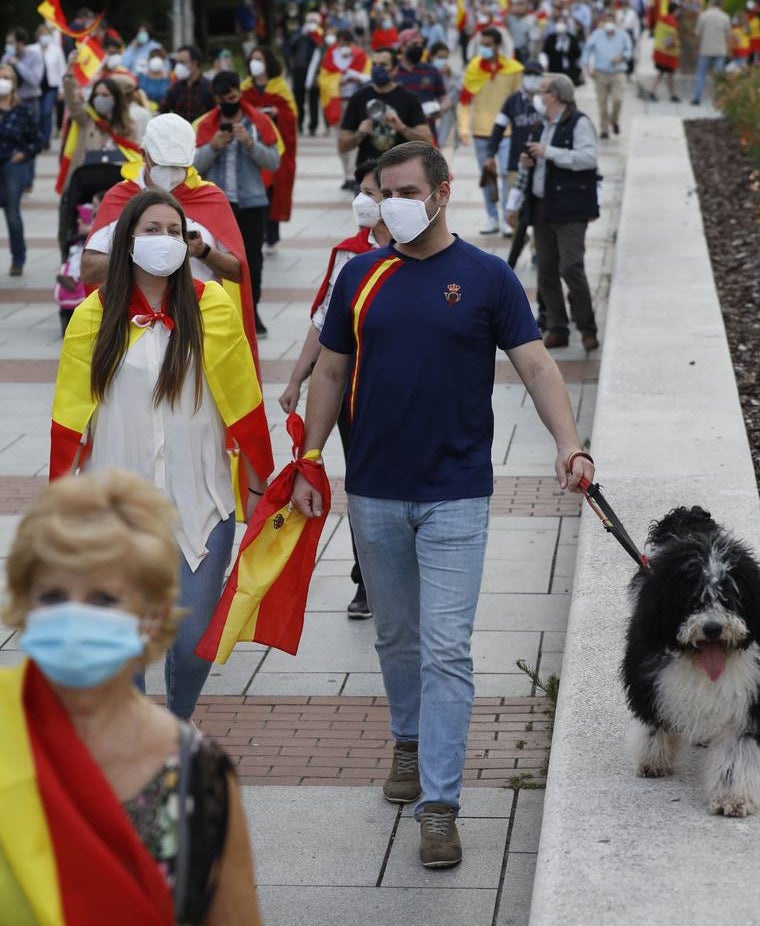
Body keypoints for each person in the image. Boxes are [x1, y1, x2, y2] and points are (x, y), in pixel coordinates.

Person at [290, 141, 595, 869]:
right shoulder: (361, 275)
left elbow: (536, 364)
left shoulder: (487, 277)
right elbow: (330, 371)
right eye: (381, 190)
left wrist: (570, 444)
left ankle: (440, 804)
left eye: (402, 189)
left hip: (458, 493)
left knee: (448, 649)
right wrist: (307, 455)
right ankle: (407, 738)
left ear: (440, 192)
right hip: (374, 491)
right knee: (397, 638)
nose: (389, 202)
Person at [0, 468, 262, 924]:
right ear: (24, 604)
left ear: (154, 617)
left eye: (103, 599)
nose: (75, 617)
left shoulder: (198, 776)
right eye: (54, 595)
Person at [50, 189, 274, 718]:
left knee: (194, 640)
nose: (165, 241)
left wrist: (263, 479)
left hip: (201, 496)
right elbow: (68, 416)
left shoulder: (211, 304)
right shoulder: (92, 315)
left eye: (174, 231)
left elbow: (244, 398)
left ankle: (174, 725)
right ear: (127, 240)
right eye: (152, 230)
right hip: (117, 504)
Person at [278, 158, 393, 620]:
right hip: (352, 392)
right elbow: (324, 322)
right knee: (365, 483)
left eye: (375, 192)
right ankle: (366, 578)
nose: (364, 200)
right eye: (362, 190)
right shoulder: (347, 252)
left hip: (400, 390)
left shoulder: (425, 249)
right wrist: (297, 377)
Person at [79, 113, 259, 365]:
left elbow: (239, 272)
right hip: (130, 329)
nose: (173, 174)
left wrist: (204, 252)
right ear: (144, 155)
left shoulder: (210, 198)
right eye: (164, 165)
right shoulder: (120, 197)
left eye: (180, 167)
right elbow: (88, 271)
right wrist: (135, 253)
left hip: (198, 326)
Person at [516, 74, 600, 352]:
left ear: (555, 95)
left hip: (571, 208)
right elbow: (537, 159)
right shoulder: (542, 124)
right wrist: (527, 160)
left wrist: (549, 152)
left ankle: (587, 328)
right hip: (543, 206)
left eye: (542, 91)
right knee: (546, 270)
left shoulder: (579, 122)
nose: (538, 96)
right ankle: (558, 326)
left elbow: (588, 158)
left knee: (571, 267)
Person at [194, 71, 281, 338]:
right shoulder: (207, 125)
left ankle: (251, 312)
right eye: (224, 98)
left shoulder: (258, 121)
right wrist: (213, 146)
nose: (230, 101)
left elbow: (274, 162)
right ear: (217, 99)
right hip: (217, 206)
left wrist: (250, 143)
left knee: (252, 262)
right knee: (215, 260)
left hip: (252, 203)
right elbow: (194, 166)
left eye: (234, 95)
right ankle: (221, 311)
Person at [57, 69, 141, 259]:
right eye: (97, 95)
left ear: (116, 99)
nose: (100, 99)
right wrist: (69, 76)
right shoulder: (87, 120)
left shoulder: (128, 126)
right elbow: (72, 103)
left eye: (106, 95)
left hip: (114, 187)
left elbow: (134, 157)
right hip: (84, 186)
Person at [457, 26, 524, 234]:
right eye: (481, 45)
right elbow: (464, 100)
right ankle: (492, 217)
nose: (484, 49)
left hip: (507, 131)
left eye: (487, 45)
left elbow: (519, 101)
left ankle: (506, 217)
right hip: (481, 130)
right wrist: (463, 127)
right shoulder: (474, 68)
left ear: (497, 46)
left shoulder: (513, 69)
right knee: (488, 175)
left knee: (506, 173)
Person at [339, 47, 431, 171]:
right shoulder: (358, 97)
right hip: (368, 171)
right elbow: (342, 146)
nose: (377, 69)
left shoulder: (409, 98)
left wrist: (402, 128)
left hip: (401, 171)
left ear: (394, 70)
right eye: (374, 64)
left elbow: (427, 141)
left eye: (383, 65)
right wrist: (360, 134)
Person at [242, 45, 298, 249]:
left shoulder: (280, 87)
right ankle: (260, 229)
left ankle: (272, 231)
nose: (254, 63)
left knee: (275, 189)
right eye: (252, 59)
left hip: (275, 145)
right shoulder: (245, 87)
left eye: (259, 59)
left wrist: (277, 112)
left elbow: (291, 115)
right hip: (252, 144)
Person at [0, 60, 41, 276]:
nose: (2, 82)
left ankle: (18, 258)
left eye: (6, 77)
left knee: (12, 214)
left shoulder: (22, 110)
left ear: (14, 83)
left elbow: (36, 140)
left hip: (12, 165)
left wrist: (23, 154)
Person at [318, 26, 371, 189]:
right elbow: (323, 80)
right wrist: (338, 80)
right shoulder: (329, 57)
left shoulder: (360, 56)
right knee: (340, 140)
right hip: (336, 103)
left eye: (347, 42)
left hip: (354, 103)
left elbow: (368, 77)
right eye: (341, 42)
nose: (344, 45)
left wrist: (356, 77)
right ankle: (346, 174)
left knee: (355, 137)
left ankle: (353, 173)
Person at [583, 12, 632, 138]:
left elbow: (629, 51)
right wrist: (587, 66)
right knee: (602, 102)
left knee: (617, 100)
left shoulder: (622, 35)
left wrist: (621, 58)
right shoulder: (597, 35)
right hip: (600, 73)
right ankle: (604, 129)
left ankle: (613, 120)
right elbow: (587, 49)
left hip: (618, 72)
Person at [395, 30, 448, 141]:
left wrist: (440, 109)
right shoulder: (393, 71)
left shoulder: (431, 71)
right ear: (403, 47)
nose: (419, 48)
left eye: (421, 44)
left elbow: (445, 99)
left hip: (427, 133)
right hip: (398, 134)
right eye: (414, 44)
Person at [286, 12, 324, 136]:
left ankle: (313, 126)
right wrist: (302, 34)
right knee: (298, 99)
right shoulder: (300, 35)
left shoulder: (321, 35)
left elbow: (324, 50)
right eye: (310, 21)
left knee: (314, 99)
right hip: (299, 70)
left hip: (315, 72)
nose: (312, 23)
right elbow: (290, 47)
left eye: (315, 21)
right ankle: (299, 124)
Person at [691, 0, 732, 104]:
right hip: (720, 50)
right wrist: (729, 51)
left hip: (705, 49)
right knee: (718, 77)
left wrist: (696, 48)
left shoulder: (703, 16)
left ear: (711, 3)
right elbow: (728, 36)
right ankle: (718, 98)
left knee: (700, 75)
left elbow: (697, 34)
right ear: (721, 4)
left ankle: (696, 97)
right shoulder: (725, 17)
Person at [158, 45, 215, 122]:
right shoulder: (174, 87)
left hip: (201, 132)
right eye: (177, 62)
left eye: (182, 62)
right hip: (179, 132)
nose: (178, 66)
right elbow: (162, 110)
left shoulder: (209, 87)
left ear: (195, 63)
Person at [35, 22, 67, 150]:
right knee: (36, 114)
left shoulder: (56, 50)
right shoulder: (32, 49)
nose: (44, 37)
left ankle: (45, 141)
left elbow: (62, 70)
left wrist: (62, 89)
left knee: (47, 113)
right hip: (36, 87)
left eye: (47, 34)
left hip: (51, 86)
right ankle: (36, 139)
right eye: (42, 35)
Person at [645, 8, 681, 102]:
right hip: (668, 54)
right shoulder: (672, 23)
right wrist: (676, 44)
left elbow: (657, 33)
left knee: (661, 74)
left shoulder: (660, 20)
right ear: (674, 11)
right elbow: (671, 39)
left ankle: (656, 92)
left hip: (659, 51)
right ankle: (667, 94)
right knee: (667, 75)